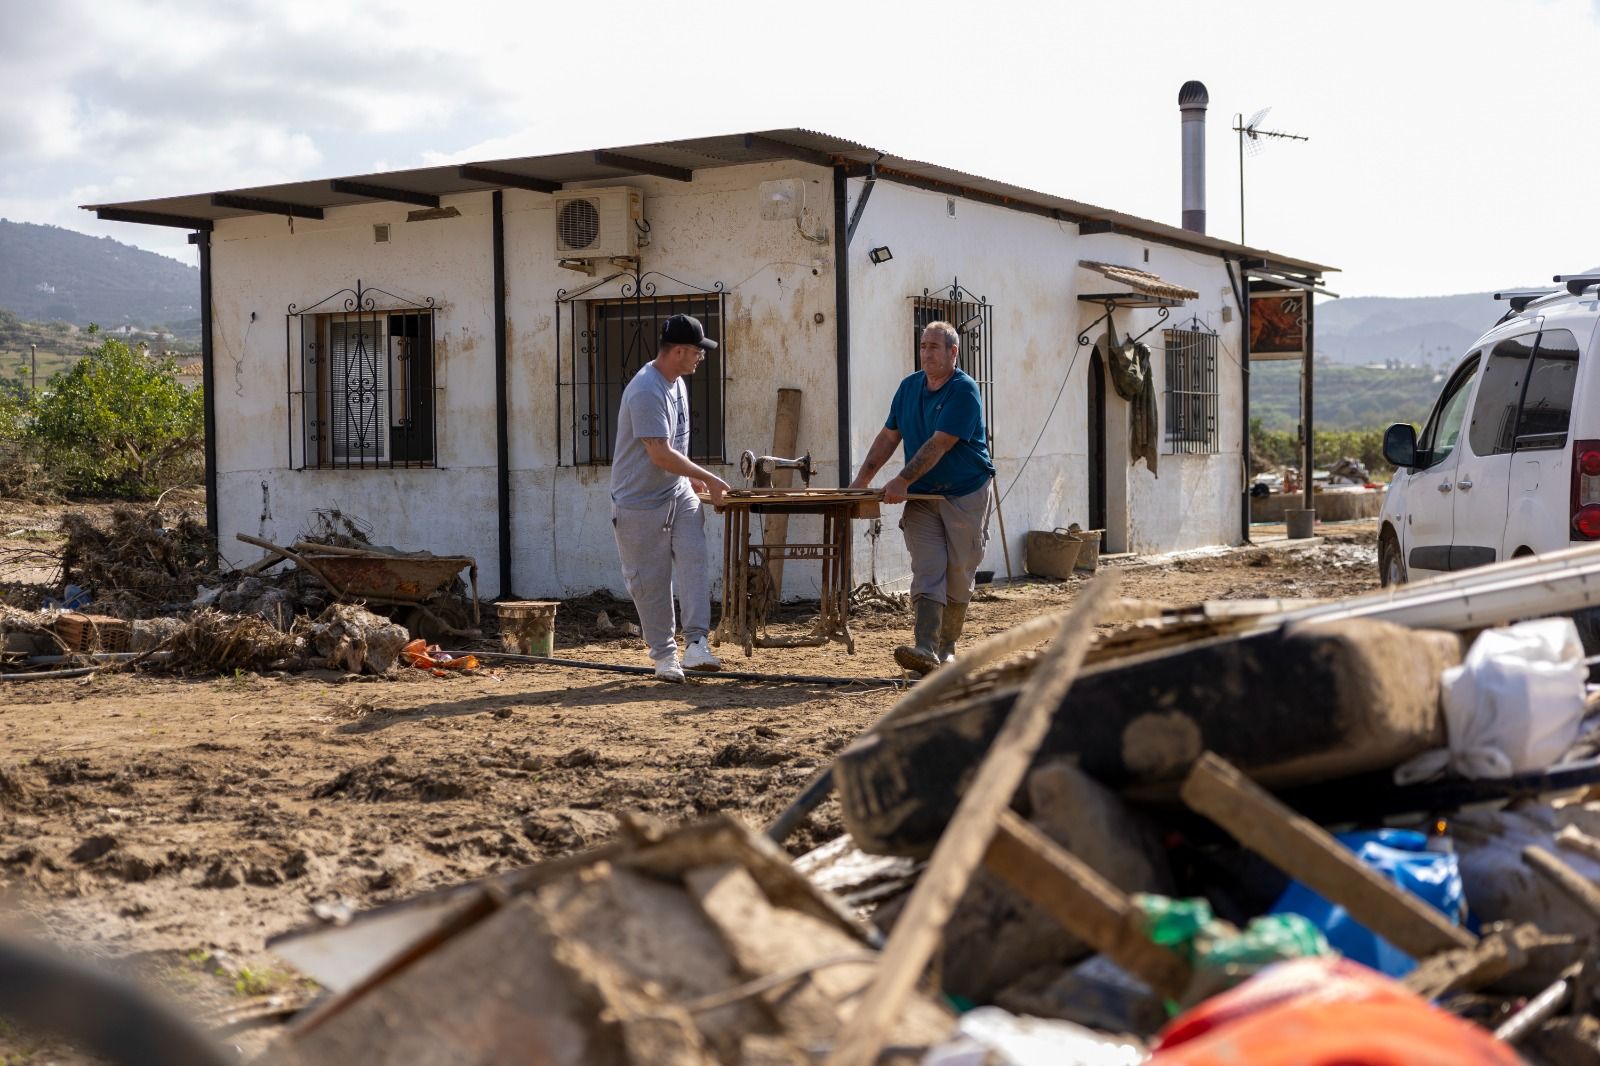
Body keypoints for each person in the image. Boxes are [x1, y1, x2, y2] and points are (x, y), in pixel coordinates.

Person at [850, 321, 994, 674]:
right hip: (923, 496)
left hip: (965, 492)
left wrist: (900, 480)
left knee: (959, 572)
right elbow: (888, 437)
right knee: (928, 568)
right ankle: (925, 647)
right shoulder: (909, 387)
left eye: (934, 346)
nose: (927, 352)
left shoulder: (964, 390)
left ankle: (947, 648)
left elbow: (939, 444)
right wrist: (861, 480)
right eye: (923, 346)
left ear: (953, 352)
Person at [610, 314, 731, 682]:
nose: (701, 357)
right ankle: (665, 657)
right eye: (697, 351)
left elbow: (674, 447)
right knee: (650, 582)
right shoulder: (647, 389)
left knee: (695, 559)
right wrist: (707, 477)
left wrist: (688, 480)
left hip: (676, 492)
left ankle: (697, 644)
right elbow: (659, 454)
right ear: (678, 351)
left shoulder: (675, 380)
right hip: (638, 502)